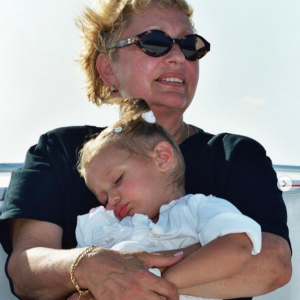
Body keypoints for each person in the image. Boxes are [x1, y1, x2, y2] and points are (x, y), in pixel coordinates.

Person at [0, 0, 291, 300]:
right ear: (108, 69)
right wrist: (87, 266)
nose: (178, 56)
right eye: (155, 42)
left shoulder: (236, 157)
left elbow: (273, 263)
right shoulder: (58, 151)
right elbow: (25, 269)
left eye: (191, 45)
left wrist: (119, 283)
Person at [75, 97, 262, 300]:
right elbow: (77, 277)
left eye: (118, 180)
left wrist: (154, 281)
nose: (111, 200)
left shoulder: (199, 209)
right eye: (103, 198)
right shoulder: (100, 225)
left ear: (162, 158)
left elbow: (237, 247)